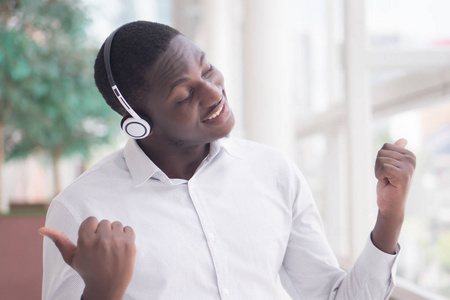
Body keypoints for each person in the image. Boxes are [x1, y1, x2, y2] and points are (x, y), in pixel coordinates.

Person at [40, 21, 416, 300]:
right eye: (185, 94)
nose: (213, 92)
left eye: (206, 70)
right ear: (139, 125)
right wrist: (102, 294)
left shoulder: (273, 171)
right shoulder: (80, 210)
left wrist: (390, 215)